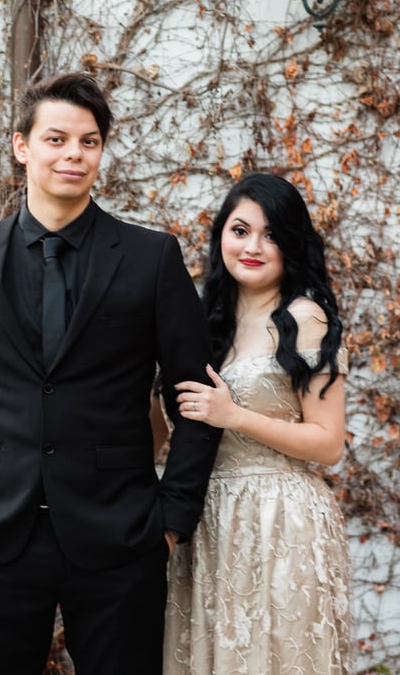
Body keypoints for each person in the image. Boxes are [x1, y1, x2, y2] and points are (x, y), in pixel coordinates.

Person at [0, 71, 221, 675]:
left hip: (121, 536)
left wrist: (172, 519)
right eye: (56, 139)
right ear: (22, 146)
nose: (74, 153)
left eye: (90, 141)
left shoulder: (151, 258)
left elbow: (196, 394)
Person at [162, 172, 352, 675]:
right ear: (221, 234)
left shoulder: (306, 317)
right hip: (206, 516)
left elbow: (329, 443)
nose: (253, 246)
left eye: (271, 235)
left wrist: (234, 416)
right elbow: (164, 435)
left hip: (280, 520)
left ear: (292, 243)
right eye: (240, 230)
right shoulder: (201, 323)